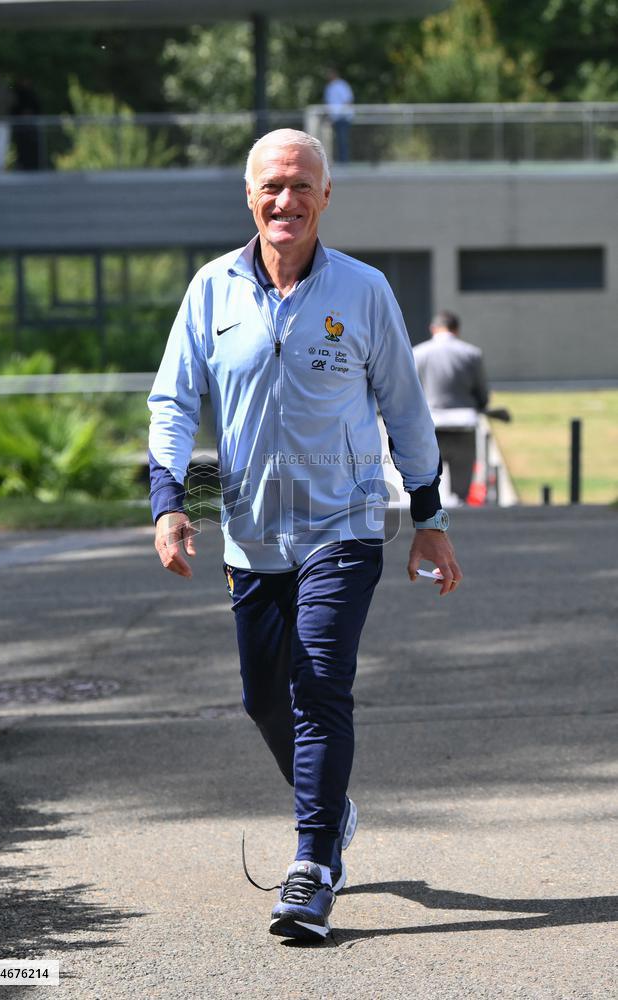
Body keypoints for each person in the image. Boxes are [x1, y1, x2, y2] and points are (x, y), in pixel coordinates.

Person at [148, 129, 462, 942]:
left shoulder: (363, 291)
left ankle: (313, 864)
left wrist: (428, 520)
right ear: (249, 197)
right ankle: (333, 808)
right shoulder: (211, 290)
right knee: (264, 697)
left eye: (301, 185)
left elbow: (405, 410)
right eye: (271, 186)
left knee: (318, 679)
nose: (285, 200)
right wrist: (170, 503)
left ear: (326, 196)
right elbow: (175, 402)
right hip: (251, 529)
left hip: (344, 521)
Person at [413, 310, 489, 503]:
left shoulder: (418, 353)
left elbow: (411, 391)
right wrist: (481, 404)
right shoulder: (471, 354)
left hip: (431, 425)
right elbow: (482, 392)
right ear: (457, 329)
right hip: (463, 423)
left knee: (428, 484)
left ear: (433, 328)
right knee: (461, 490)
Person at [323, 68, 353, 164]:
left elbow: (347, 100)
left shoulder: (342, 85)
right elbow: (329, 104)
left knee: (342, 140)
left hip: (343, 117)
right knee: (334, 141)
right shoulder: (329, 87)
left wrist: (341, 113)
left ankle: (344, 162)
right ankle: (337, 161)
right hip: (333, 118)